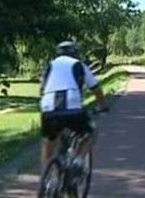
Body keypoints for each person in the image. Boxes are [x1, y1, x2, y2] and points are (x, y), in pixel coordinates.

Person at [39, 41, 108, 173]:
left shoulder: (49, 66)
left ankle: (47, 178)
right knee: (91, 132)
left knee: (48, 140)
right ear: (75, 53)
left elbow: (42, 89)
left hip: (48, 107)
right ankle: (79, 160)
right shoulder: (79, 65)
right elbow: (95, 88)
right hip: (72, 107)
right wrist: (103, 106)